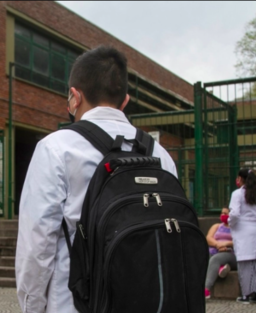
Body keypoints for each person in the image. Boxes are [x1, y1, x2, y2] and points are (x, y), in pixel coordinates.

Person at [15, 46, 177, 313]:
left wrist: (31, 308)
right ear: (125, 101)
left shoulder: (56, 148)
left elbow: (37, 245)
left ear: (74, 97)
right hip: (150, 301)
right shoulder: (161, 156)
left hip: (76, 304)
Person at [228, 168, 256, 304]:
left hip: (242, 230)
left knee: (244, 263)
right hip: (255, 230)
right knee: (255, 263)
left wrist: (229, 222)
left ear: (241, 179)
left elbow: (235, 214)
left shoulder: (237, 194)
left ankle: (246, 294)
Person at [204, 207, 237, 299]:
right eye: (222, 213)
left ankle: (206, 289)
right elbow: (209, 238)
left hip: (231, 254)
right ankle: (222, 267)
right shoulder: (216, 226)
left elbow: (239, 241)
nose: (223, 215)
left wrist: (226, 244)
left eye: (226, 213)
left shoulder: (237, 228)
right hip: (215, 250)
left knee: (216, 259)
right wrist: (218, 244)